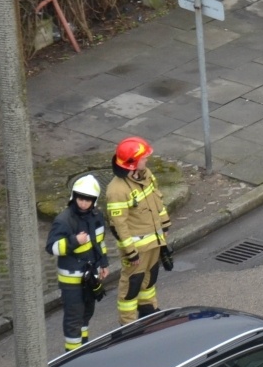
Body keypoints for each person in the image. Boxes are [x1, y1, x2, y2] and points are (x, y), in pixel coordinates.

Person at [104, 136, 171, 324]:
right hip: (137, 248)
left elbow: (157, 201)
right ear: (132, 164)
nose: (147, 160)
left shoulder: (146, 175)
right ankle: (127, 323)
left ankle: (148, 311)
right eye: (143, 158)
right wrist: (131, 253)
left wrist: (165, 223)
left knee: (150, 278)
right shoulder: (116, 190)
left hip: (155, 240)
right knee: (132, 284)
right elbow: (119, 225)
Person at [46, 174, 110, 352]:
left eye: (88, 200)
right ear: (74, 197)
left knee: (86, 314)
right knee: (74, 318)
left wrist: (103, 263)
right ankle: (72, 355)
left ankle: (83, 348)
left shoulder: (96, 216)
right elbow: (51, 247)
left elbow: (99, 242)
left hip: (89, 277)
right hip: (71, 281)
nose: (83, 203)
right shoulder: (64, 220)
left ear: (94, 201)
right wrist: (74, 241)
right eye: (80, 198)